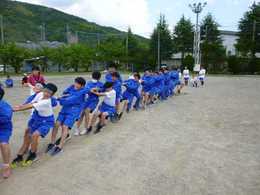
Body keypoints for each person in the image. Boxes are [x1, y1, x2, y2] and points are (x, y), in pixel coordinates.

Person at [12, 83, 58, 166]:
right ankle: (21, 154)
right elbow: (31, 101)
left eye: (49, 93)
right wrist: (21, 105)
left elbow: (31, 106)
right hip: (37, 117)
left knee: (35, 135)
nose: (46, 93)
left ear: (52, 94)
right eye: (46, 91)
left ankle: (33, 154)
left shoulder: (47, 101)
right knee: (27, 132)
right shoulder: (40, 94)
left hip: (47, 121)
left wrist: (16, 109)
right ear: (43, 89)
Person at [46, 77, 87, 156]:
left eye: (78, 84)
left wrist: (59, 99)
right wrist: (65, 95)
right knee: (57, 124)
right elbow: (65, 93)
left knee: (65, 126)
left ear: (82, 86)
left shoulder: (82, 91)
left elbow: (69, 99)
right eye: (75, 82)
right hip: (65, 108)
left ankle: (60, 146)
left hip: (74, 110)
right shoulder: (72, 86)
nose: (75, 84)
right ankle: (52, 142)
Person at [75, 71, 103, 136]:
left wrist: (97, 90)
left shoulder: (101, 84)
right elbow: (86, 91)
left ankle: (86, 128)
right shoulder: (89, 83)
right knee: (82, 113)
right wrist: (91, 90)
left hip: (94, 101)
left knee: (87, 111)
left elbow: (102, 91)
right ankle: (77, 128)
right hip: (87, 100)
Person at [0, 88, 13, 178]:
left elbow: (6, 118)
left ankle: (6, 165)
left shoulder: (4, 106)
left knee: (3, 144)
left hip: (4, 128)